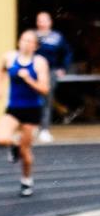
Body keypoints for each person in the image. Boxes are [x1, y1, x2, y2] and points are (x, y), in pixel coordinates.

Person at [0, 30, 50, 198]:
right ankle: (13, 145)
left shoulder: (39, 63)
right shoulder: (9, 57)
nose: (25, 43)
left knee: (25, 152)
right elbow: (1, 71)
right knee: (0, 138)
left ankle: (26, 180)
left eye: (29, 41)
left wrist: (28, 79)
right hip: (14, 108)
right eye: (23, 39)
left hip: (32, 110)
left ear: (35, 46)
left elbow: (45, 89)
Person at [34, 11, 73, 142]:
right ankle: (33, 126)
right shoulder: (32, 36)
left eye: (45, 20)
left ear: (50, 22)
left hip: (50, 72)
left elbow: (67, 52)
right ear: (37, 22)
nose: (42, 23)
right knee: (32, 100)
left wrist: (63, 68)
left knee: (46, 100)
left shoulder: (57, 37)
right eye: (40, 20)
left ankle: (44, 129)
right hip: (33, 72)